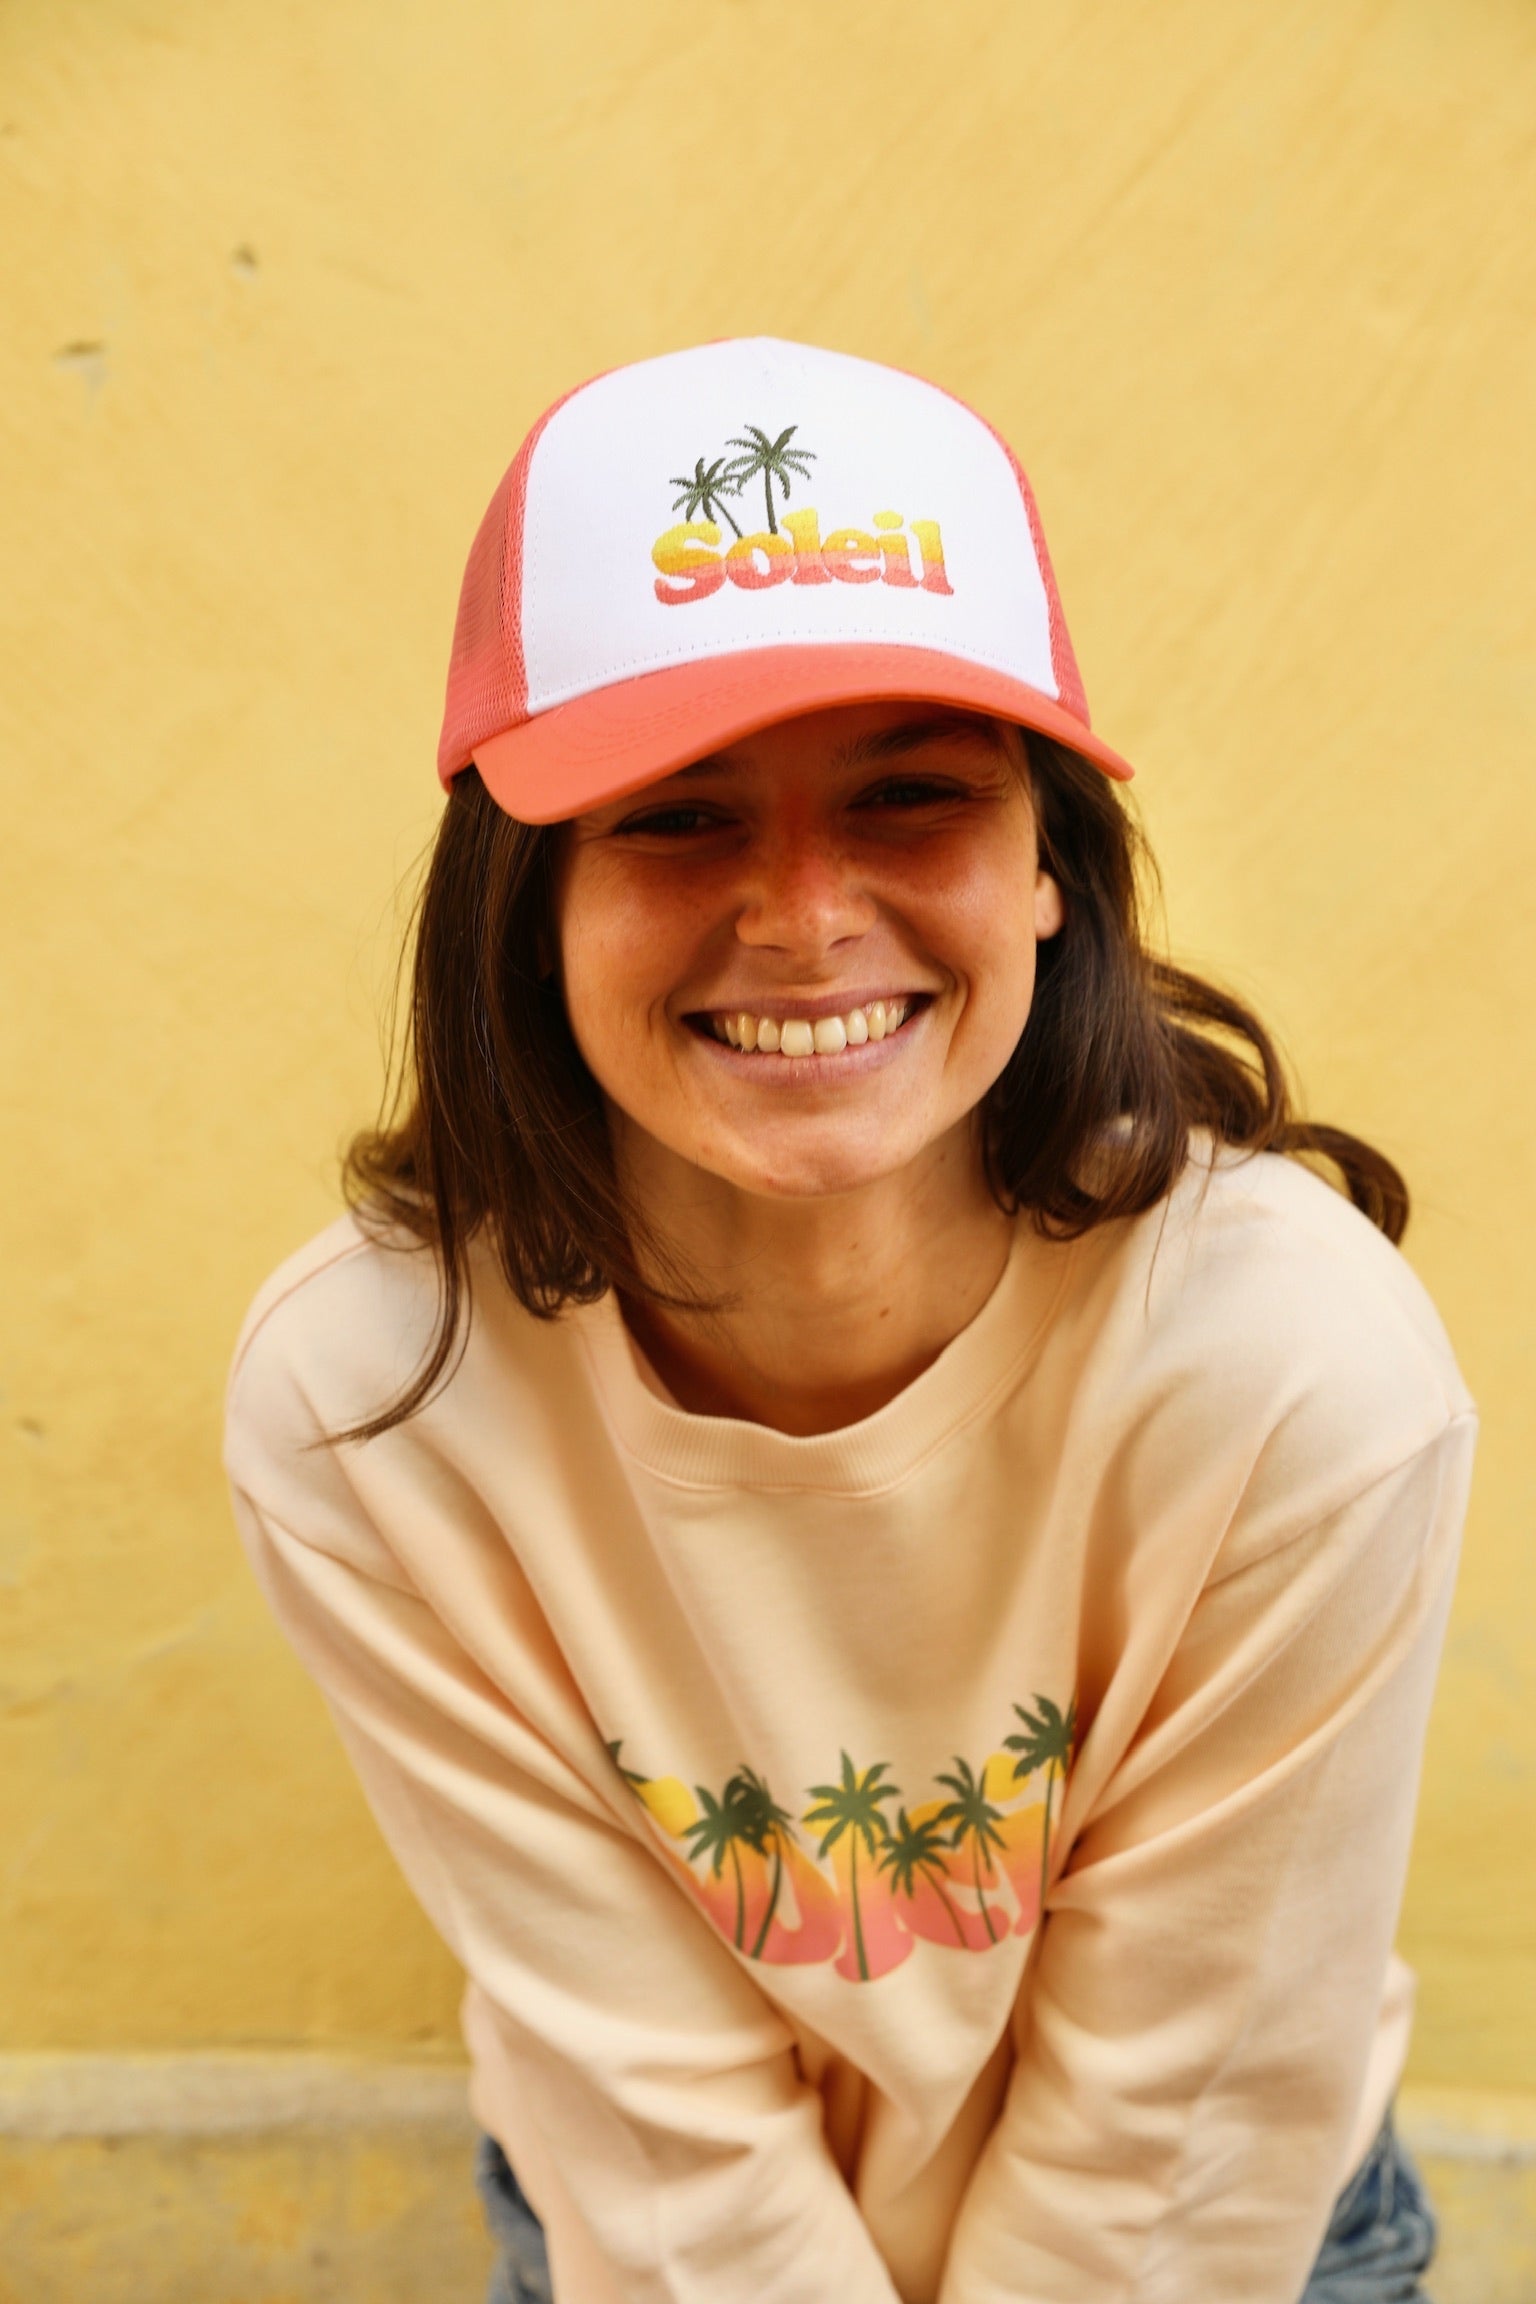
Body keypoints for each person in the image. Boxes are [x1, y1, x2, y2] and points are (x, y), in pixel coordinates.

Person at [224, 338, 1472, 2303]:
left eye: (909, 795)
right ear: (524, 903)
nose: (805, 915)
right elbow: (653, 2118)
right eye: (674, 815)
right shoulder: (369, 1398)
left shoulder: (1298, 1370)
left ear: (1050, 871)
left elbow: (1182, 2128)